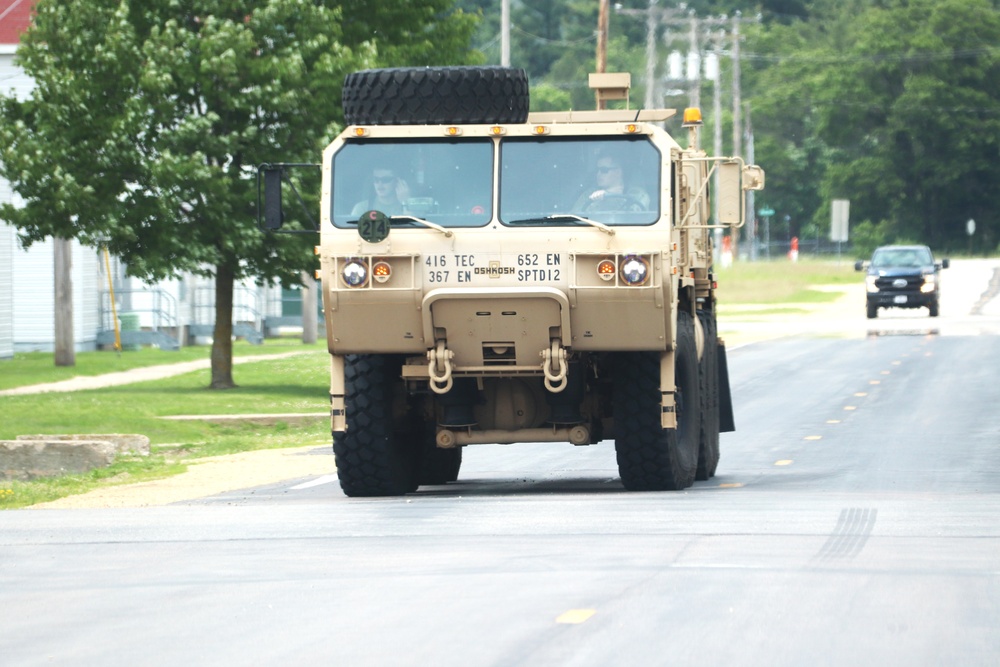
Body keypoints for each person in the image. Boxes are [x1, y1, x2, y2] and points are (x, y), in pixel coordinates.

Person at [573, 155, 649, 212]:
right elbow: (575, 217)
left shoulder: (638, 194)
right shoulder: (589, 193)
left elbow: (635, 219)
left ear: (618, 172)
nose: (598, 174)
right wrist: (597, 201)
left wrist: (610, 197)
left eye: (604, 170)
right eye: (597, 170)